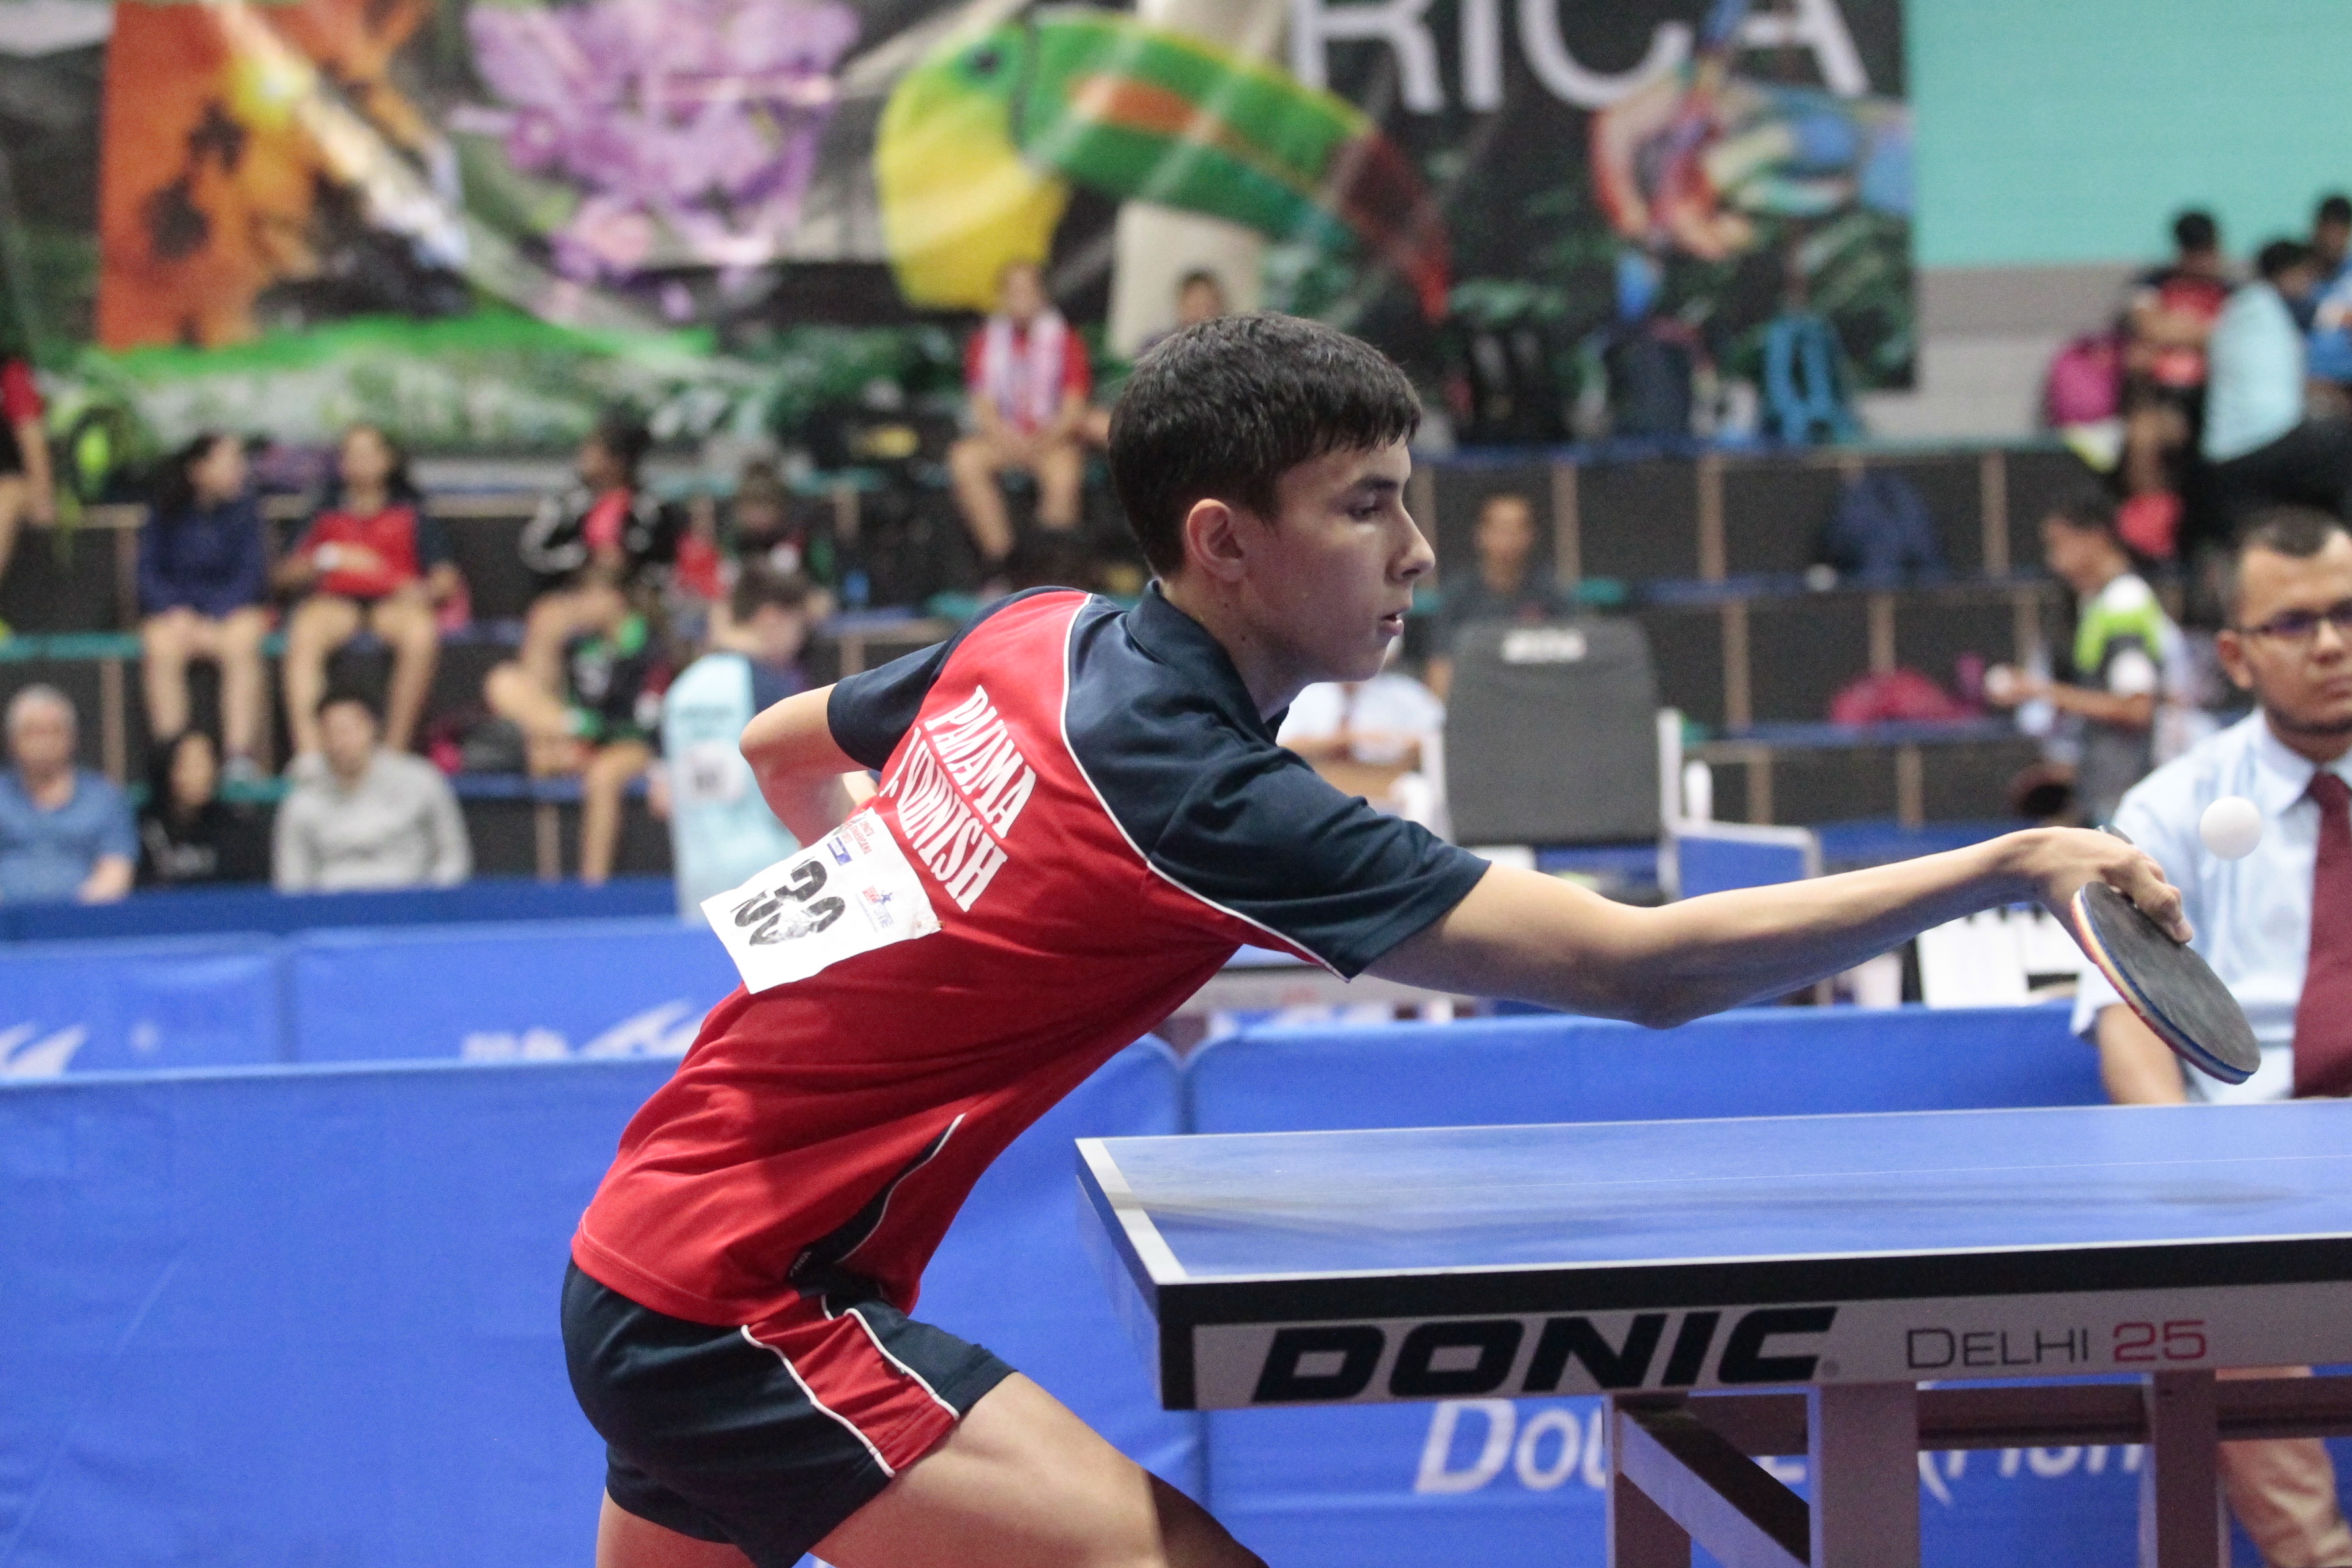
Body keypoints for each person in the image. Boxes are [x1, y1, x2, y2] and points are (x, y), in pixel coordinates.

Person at [560, 311, 2187, 1568]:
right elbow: (1641, 967)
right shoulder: (1206, 796)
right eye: (1366, 506)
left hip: (649, 1239)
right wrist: (2009, 859)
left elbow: (782, 746)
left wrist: (929, 913)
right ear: (1224, 541)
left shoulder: (1033, 634)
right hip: (742, 1303)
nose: (1416, 549)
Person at [2075, 507, 2352, 1568]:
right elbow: (2126, 1024)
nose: (2330, 644)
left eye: (2348, 614)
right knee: (2221, 1309)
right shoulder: (2169, 809)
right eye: (2295, 624)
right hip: (2254, 1162)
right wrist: (2192, 1175)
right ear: (2235, 655)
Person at [1984, 494, 2187, 824]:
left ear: (2096, 538)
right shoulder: (2098, 604)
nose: (2054, 561)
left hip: (2130, 794)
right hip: (2108, 789)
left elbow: (2136, 709)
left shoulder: (2125, 603)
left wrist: (2037, 690)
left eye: (2059, 544)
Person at [275, 424, 462, 760]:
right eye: (351, 454)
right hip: (336, 603)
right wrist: (330, 557)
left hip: (393, 605)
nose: (359, 462)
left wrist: (420, 591)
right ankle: (311, 755)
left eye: (368, 453)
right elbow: (285, 574)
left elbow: (445, 579)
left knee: (420, 634)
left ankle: (393, 751)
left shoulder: (411, 509)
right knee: (304, 631)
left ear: (388, 460)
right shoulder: (323, 508)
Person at [483, 574, 667, 884]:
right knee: (505, 684)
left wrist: (587, 730)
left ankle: (593, 883)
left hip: (631, 742)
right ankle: (543, 878)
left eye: (591, 596)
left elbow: (646, 717)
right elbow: (554, 690)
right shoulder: (582, 642)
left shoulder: (645, 643)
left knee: (602, 775)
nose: (582, 605)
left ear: (615, 599)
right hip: (581, 732)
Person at [660, 567, 814, 918]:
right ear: (773, 618)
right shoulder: (771, 688)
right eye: (799, 627)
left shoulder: (681, 690)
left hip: (698, 876)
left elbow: (663, 794)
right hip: (770, 875)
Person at [138, 432, 271, 779]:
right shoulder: (165, 507)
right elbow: (148, 571)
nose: (239, 470)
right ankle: (175, 758)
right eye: (229, 463)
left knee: (243, 640)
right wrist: (174, 610)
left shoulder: (247, 510)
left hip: (228, 615)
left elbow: (252, 574)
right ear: (199, 470)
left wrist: (215, 616)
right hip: (177, 616)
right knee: (159, 644)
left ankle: (238, 755)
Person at [517, 414, 680, 695]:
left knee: (602, 610)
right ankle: (542, 706)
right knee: (545, 616)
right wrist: (584, 559)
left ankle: (616, 704)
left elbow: (663, 566)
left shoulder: (649, 508)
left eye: (593, 450)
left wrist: (624, 566)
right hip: (577, 595)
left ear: (617, 461)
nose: (584, 457)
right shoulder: (568, 505)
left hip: (634, 600)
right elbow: (534, 552)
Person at [948, 260, 1094, 568]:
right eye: (1013, 292)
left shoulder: (1066, 340)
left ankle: (1049, 565)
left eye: (1027, 291)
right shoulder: (984, 343)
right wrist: (1010, 441)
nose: (1021, 299)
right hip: (1004, 440)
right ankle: (1004, 561)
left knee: (1064, 474)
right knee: (965, 461)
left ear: (1042, 295)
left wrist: (1042, 441)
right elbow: (983, 406)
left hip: (1051, 440)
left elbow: (1073, 407)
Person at [2204, 240, 2352, 525]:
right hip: (2264, 443)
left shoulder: (2239, 308)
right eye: (2307, 276)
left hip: (2226, 455)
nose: (2311, 286)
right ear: (2290, 274)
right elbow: (2341, 316)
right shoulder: (2277, 303)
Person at [273, 688, 471, 893]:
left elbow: (453, 855)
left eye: (349, 729)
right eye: (332, 732)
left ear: (372, 727)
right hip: (332, 907)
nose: (342, 741)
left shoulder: (421, 780)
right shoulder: (301, 800)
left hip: (410, 902)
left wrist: (432, 899)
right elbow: (292, 879)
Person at [2118, 211, 2232, 531]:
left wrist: (2174, 331)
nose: (2202, 261)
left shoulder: (2232, 292)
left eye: (2207, 252)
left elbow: (2227, 338)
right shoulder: (2152, 285)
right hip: (2165, 399)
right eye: (2193, 253)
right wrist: (2200, 333)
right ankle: (2153, 527)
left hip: (2215, 400)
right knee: (2142, 437)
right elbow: (2147, 327)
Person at [1278, 648, 1447, 830]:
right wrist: (1348, 739)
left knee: (1420, 794)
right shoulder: (1303, 693)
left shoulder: (1406, 693)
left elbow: (1434, 739)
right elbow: (1282, 743)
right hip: (1316, 785)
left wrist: (1389, 741)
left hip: (1387, 783)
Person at [1424, 491, 1569, 699]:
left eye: (1517, 529)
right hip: (1477, 697)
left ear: (1531, 535)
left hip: (1537, 696)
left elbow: (1572, 658)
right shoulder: (1458, 595)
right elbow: (1440, 664)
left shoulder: (1551, 593)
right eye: (1501, 529)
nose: (1508, 539)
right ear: (1481, 534)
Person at [0, 685, 135, 904]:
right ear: (12, 741)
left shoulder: (105, 799)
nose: (44, 742)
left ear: (72, 738)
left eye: (54, 731)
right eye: (33, 732)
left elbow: (116, 870)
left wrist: (72, 915)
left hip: (85, 918)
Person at [136, 728, 268, 887]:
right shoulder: (141, 829)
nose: (203, 774)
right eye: (190, 764)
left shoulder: (236, 830)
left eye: (208, 763)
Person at [0, 352, 56, 636]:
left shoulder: (11, 374)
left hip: (16, 486)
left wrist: (43, 499)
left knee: (6, 496)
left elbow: (32, 441)